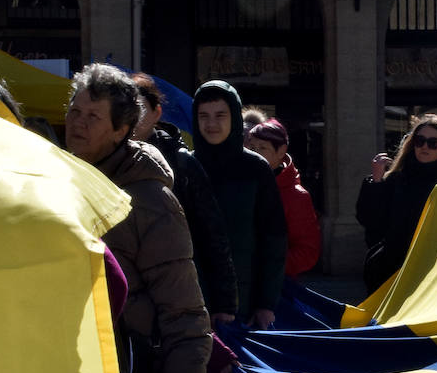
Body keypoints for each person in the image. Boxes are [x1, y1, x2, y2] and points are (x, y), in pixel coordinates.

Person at [66, 63, 212, 373]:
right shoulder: (56, 181)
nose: (78, 123)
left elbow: (183, 307)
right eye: (75, 111)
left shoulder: (151, 201)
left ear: (122, 129)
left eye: (93, 116)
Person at [130, 73, 238, 325]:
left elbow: (212, 235)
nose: (132, 118)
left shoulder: (183, 163)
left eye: (138, 109)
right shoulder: (106, 160)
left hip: (183, 289)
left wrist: (224, 303)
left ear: (157, 113)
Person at [191, 80, 287, 330]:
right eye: (204, 116)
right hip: (191, 303)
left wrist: (266, 303)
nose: (211, 124)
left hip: (244, 305)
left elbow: (273, 239)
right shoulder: (184, 168)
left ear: (233, 116)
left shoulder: (256, 168)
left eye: (220, 115)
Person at [355, 114, 437, 292]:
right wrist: (376, 182)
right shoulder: (396, 177)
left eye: (433, 143)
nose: (424, 147)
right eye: (419, 141)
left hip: (435, 273)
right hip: (391, 269)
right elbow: (369, 219)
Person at [245, 118, 320, 277]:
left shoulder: (297, 196)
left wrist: (267, 265)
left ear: (281, 151)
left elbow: (307, 252)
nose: (255, 153)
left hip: (277, 288)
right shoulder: (243, 184)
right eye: (252, 147)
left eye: (262, 148)